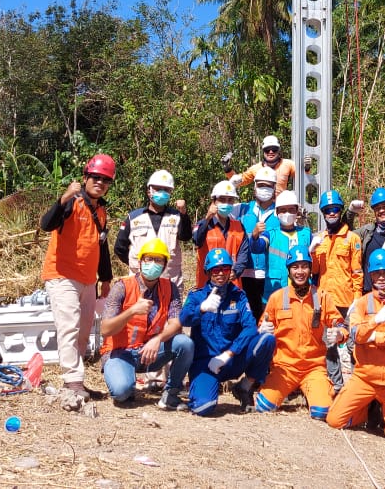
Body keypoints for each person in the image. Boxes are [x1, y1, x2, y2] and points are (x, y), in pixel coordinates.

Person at [40, 153, 115, 398]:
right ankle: (73, 380)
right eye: (95, 177)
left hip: (88, 279)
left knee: (83, 331)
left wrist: (105, 278)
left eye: (105, 179)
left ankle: (76, 381)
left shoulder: (101, 210)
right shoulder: (72, 202)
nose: (100, 182)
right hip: (62, 275)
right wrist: (62, 199)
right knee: (69, 328)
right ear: (85, 177)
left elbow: (101, 245)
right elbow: (46, 224)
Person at [325, 249, 385, 442]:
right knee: (334, 420)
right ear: (371, 275)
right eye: (376, 273)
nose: (381, 278)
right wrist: (375, 322)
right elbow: (355, 335)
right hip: (364, 377)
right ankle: (366, 411)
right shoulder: (362, 303)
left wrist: (374, 337)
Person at [99, 238, 195, 410]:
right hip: (120, 352)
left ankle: (171, 394)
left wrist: (157, 340)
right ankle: (127, 382)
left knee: (185, 343)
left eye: (158, 260)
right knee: (121, 392)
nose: (152, 264)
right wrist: (131, 311)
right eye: (148, 259)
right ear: (140, 262)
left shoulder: (170, 288)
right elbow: (105, 329)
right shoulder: (122, 287)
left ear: (164, 266)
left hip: (149, 352)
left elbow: (176, 323)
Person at [180, 248, 276, 416]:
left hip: (231, 359)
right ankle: (207, 387)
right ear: (208, 272)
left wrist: (228, 354)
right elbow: (183, 319)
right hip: (206, 363)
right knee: (203, 408)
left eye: (225, 268)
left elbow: (250, 327)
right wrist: (201, 309)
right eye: (216, 270)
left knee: (266, 339)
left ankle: (244, 387)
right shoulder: (196, 296)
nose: (221, 273)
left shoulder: (239, 296)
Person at [254, 246, 346, 421]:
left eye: (304, 266)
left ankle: (311, 391)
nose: (300, 272)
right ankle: (288, 389)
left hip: (314, 368)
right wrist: (262, 330)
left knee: (322, 412)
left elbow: (340, 324)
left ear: (310, 269)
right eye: (295, 267)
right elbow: (262, 327)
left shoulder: (322, 297)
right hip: (284, 367)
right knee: (263, 407)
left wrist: (339, 334)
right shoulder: (277, 298)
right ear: (289, 270)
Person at [310, 189, 363, 390]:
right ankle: (336, 385)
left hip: (347, 301)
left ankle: (358, 386)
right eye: (327, 210)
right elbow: (314, 271)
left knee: (352, 344)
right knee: (328, 344)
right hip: (325, 301)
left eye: (335, 209)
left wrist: (357, 298)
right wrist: (312, 252)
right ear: (323, 213)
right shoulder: (319, 238)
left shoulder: (352, 239)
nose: (331, 213)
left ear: (340, 211)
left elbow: (357, 271)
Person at [113, 169, 192, 298]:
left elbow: (186, 236)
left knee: (170, 311)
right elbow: (119, 248)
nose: (162, 192)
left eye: (166, 190)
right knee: (138, 311)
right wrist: (139, 264)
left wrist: (183, 213)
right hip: (139, 282)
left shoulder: (177, 216)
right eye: (158, 188)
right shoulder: (133, 217)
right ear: (148, 191)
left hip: (170, 281)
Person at [253, 190, 312, 304]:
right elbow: (257, 248)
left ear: (297, 211)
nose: (287, 213)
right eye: (283, 210)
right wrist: (255, 236)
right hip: (275, 293)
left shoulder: (306, 234)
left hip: (302, 292)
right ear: (276, 212)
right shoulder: (270, 234)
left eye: (291, 210)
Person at [191, 181, 251, 289]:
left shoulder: (239, 226)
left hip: (232, 285)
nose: (226, 203)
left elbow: (243, 253)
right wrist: (207, 218)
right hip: (207, 285)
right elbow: (196, 240)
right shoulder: (203, 225)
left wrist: (236, 271)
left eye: (230, 200)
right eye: (222, 199)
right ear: (213, 202)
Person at [237, 165, 279, 316]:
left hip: (270, 276)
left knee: (269, 318)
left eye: (268, 185)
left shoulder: (281, 212)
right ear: (254, 187)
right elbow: (220, 205)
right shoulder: (242, 209)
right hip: (245, 274)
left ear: (274, 188)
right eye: (261, 185)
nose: (264, 189)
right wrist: (232, 184)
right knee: (248, 319)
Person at [355, 187, 385, 290]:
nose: (381, 210)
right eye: (377, 208)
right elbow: (344, 234)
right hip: (368, 293)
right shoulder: (366, 232)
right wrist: (350, 213)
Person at [225, 134, 295, 193]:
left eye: (274, 149)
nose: (271, 152)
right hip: (262, 203)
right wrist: (227, 169)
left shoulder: (288, 164)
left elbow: (300, 175)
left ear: (278, 150)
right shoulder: (255, 168)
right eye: (267, 150)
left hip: (281, 204)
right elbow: (239, 181)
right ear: (263, 151)